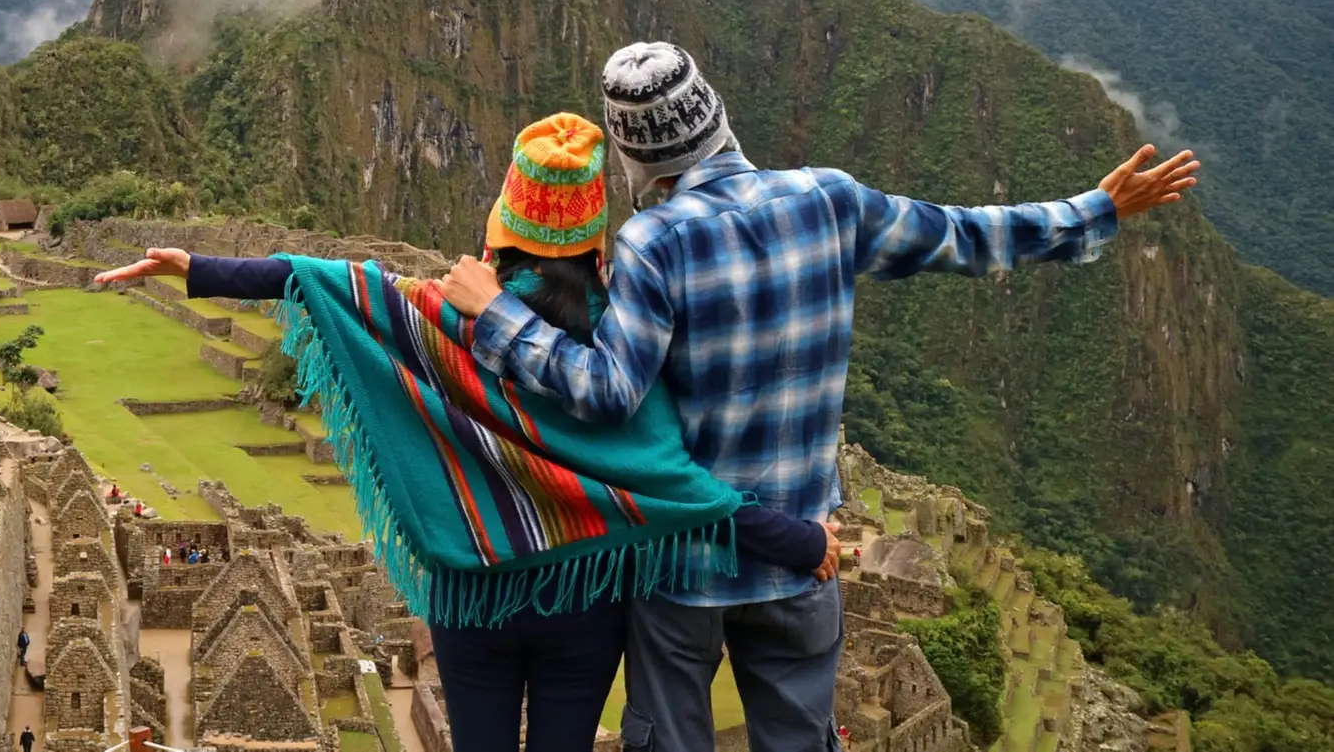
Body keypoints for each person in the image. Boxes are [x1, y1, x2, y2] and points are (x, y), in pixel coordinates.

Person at [432, 43, 1202, 752]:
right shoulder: (828, 199)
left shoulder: (654, 242)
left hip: (683, 571)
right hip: (801, 552)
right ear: (718, 119)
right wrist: (1094, 209)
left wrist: (495, 315)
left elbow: (607, 391)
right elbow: (965, 235)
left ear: (634, 158)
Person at [99, 114, 837, 752]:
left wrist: (199, 267)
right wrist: (800, 542)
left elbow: (334, 282)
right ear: (595, 242)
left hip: (470, 598)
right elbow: (673, 483)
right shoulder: (618, 341)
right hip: (581, 599)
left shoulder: (439, 317)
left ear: (501, 229)